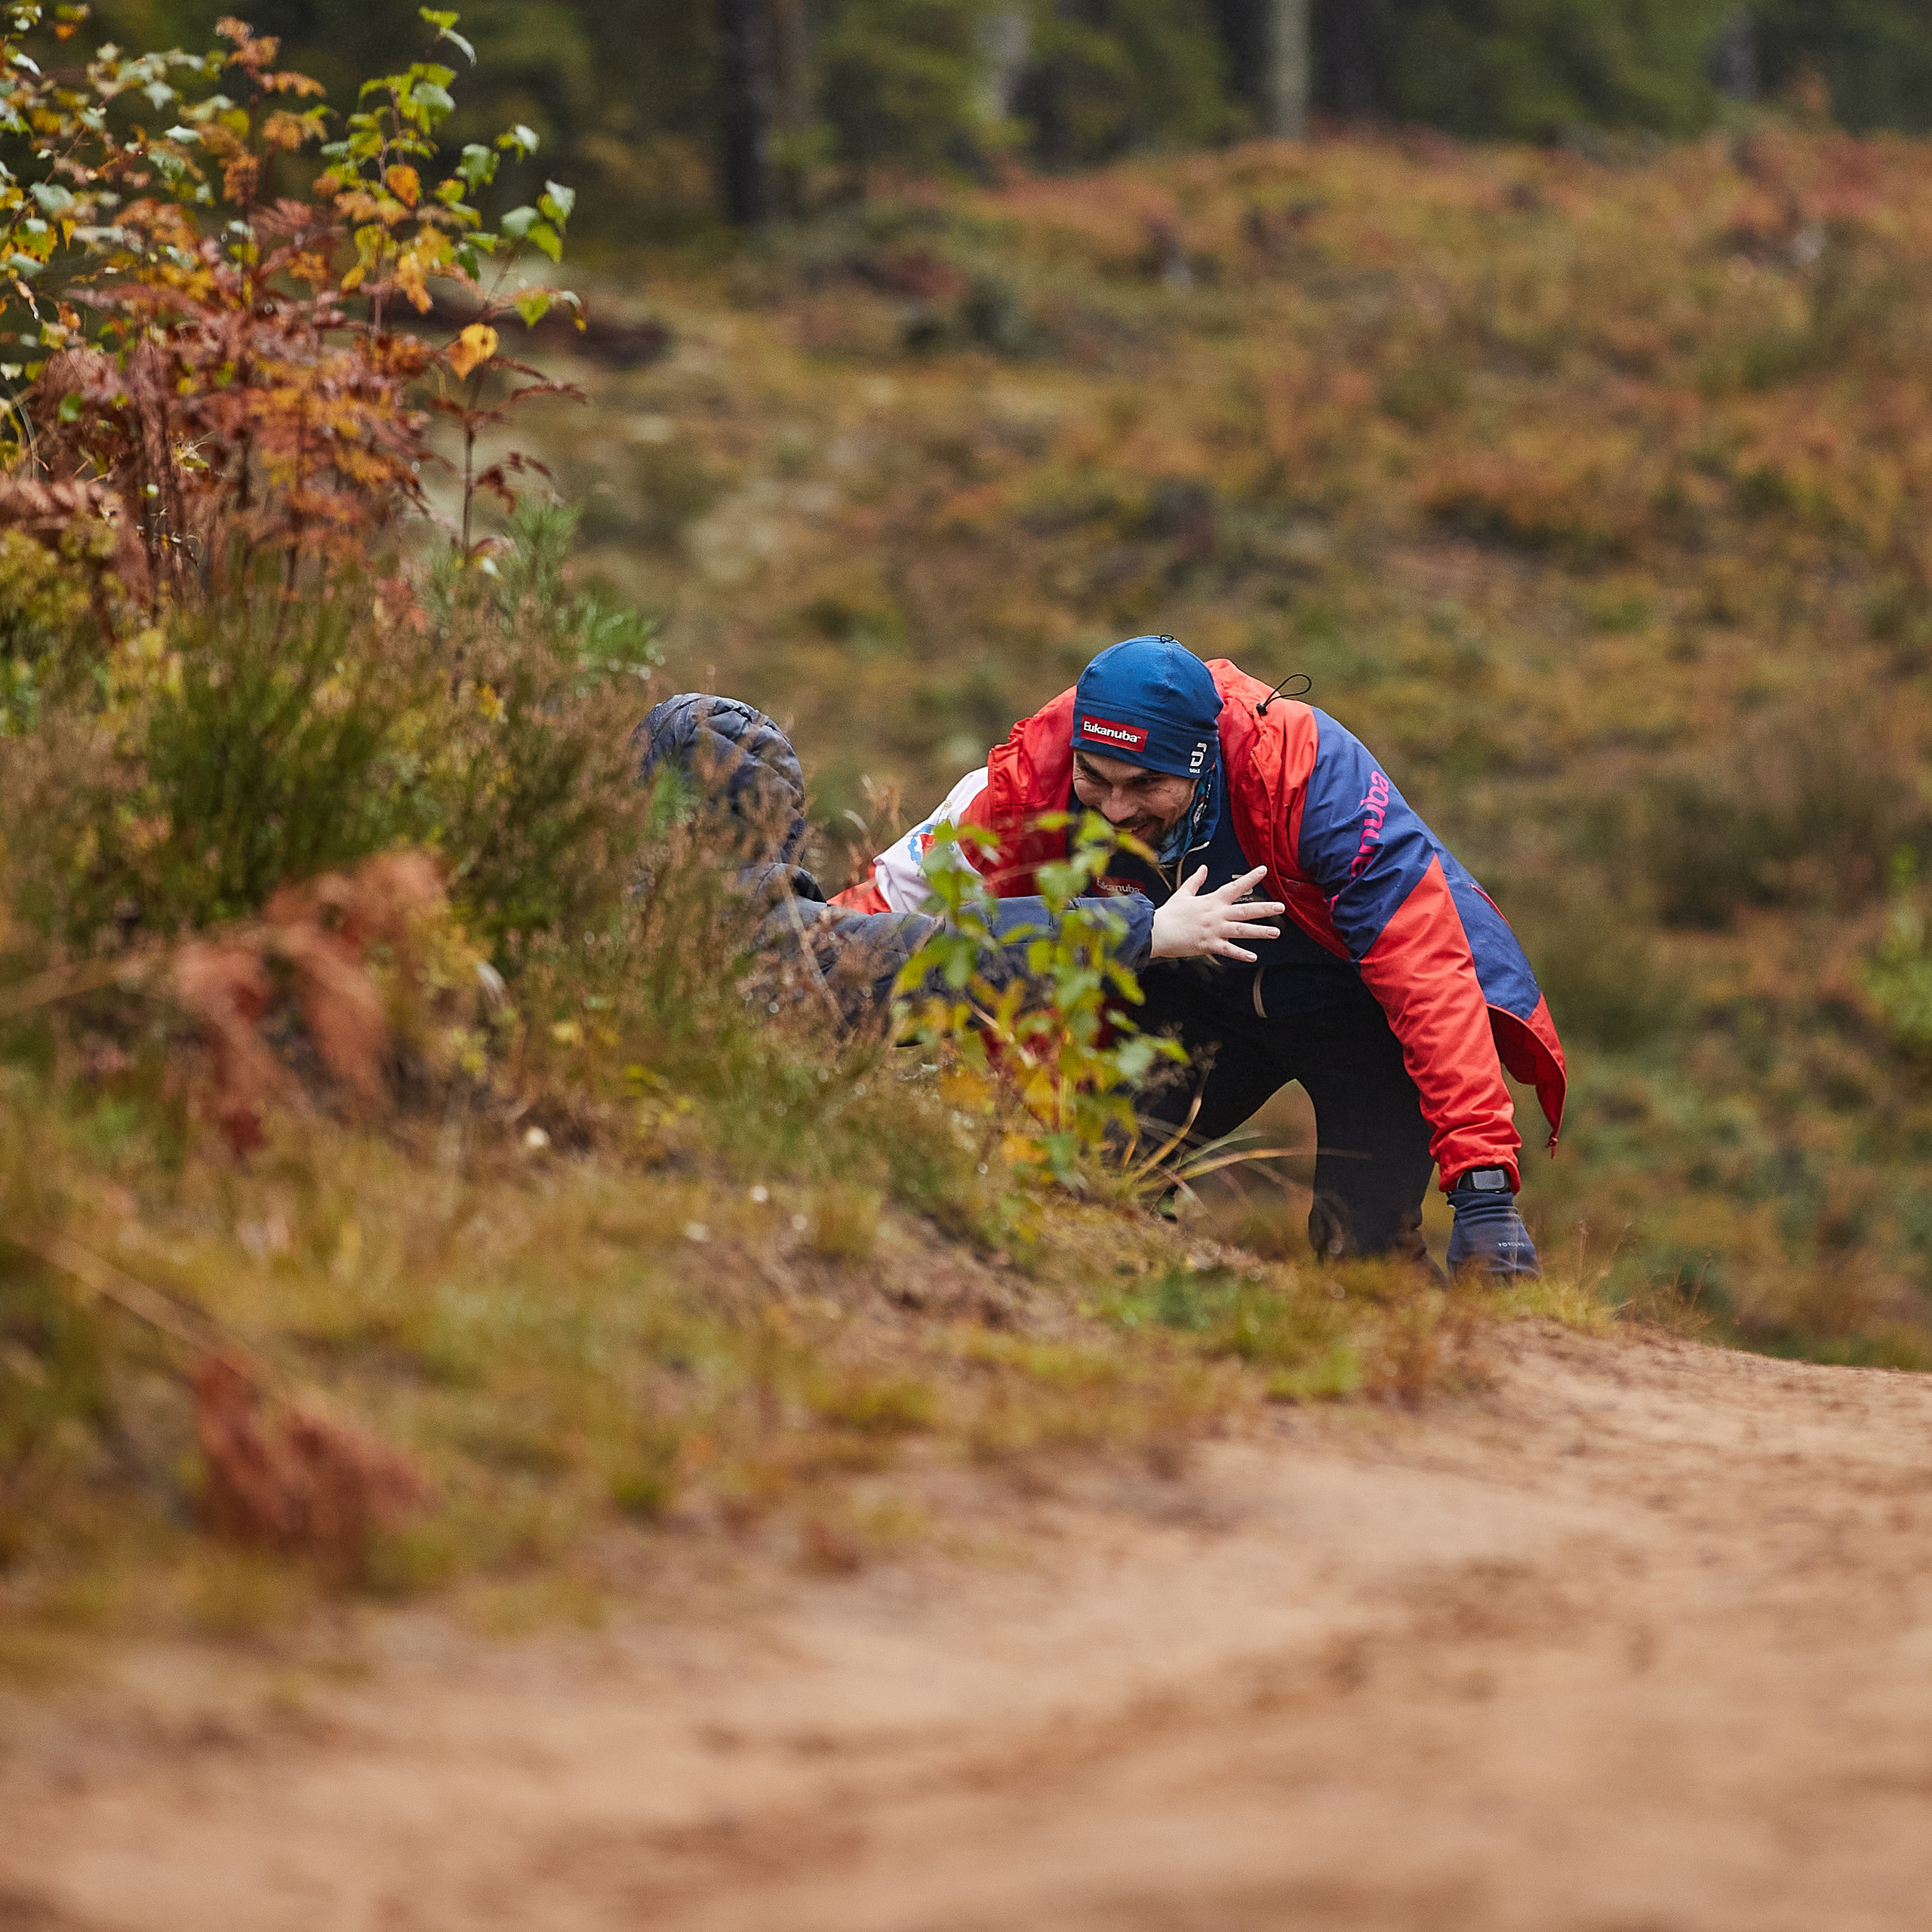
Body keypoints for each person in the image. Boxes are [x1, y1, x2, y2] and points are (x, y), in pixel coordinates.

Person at [834, 638, 1566, 1277]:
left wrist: (1482, 1188)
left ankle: (1443, 1377)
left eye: (1146, 786)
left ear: (1203, 759)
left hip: (1355, 1017)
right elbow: (898, 899)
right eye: (1097, 780)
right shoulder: (1035, 770)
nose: (1116, 810)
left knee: (1359, 1251)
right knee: (1092, 1181)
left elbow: (1426, 971)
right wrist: (790, 975)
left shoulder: (1309, 777)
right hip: (1193, 1000)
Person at [635, 691, 1284, 1024]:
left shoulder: (557, 884)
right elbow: (933, 959)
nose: (1117, 808)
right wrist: (1145, 929)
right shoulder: (740, 940)